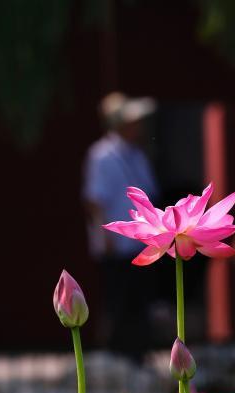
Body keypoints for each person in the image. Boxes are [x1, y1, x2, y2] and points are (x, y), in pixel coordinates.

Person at [82, 92, 159, 354]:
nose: (139, 126)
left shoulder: (136, 154)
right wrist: (105, 236)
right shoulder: (102, 155)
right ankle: (114, 354)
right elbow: (94, 199)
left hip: (140, 244)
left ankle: (138, 354)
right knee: (117, 303)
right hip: (116, 245)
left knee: (140, 303)